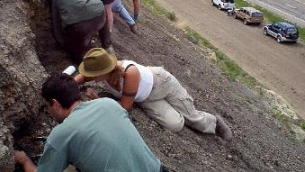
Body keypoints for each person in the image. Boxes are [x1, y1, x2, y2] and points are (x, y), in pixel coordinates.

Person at [13, 73, 164, 172]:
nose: (49, 111)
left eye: (47, 106)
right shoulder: (108, 103)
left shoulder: (61, 134)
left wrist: (25, 161)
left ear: (55, 103)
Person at [75, 48, 233, 141]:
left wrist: (98, 100)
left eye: (94, 74)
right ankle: (178, 108)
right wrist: (70, 84)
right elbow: (80, 77)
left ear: (104, 70)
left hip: (162, 84)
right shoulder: (100, 72)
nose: (92, 77)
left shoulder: (129, 73)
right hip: (144, 98)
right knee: (175, 125)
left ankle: (214, 121)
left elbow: (125, 107)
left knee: (194, 119)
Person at [34, 0, 113, 64]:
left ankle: (81, 66)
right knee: (91, 24)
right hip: (100, 13)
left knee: (73, 49)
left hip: (79, 24)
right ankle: (107, 46)